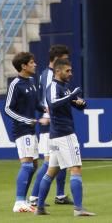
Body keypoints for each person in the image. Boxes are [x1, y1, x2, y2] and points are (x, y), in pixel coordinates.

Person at [34, 58, 95, 216]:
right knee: (75, 168)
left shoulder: (63, 87)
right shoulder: (53, 86)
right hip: (64, 134)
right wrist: (72, 95)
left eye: (71, 70)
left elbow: (74, 104)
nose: (71, 73)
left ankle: (40, 208)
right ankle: (79, 209)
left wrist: (81, 103)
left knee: (51, 171)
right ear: (58, 71)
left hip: (56, 135)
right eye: (67, 71)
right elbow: (53, 104)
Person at [4, 52, 46, 214]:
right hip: (22, 129)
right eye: (32, 62)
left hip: (31, 128)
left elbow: (36, 104)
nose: (35, 64)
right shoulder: (15, 84)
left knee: (34, 165)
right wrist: (24, 120)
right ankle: (19, 201)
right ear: (23, 66)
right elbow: (7, 108)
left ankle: (24, 200)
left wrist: (45, 109)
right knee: (27, 164)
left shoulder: (31, 81)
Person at [31, 45, 71, 207]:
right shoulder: (49, 75)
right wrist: (47, 116)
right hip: (51, 125)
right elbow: (49, 99)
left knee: (60, 162)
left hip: (56, 124)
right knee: (49, 163)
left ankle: (60, 195)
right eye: (65, 58)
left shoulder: (48, 74)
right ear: (56, 59)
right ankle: (34, 196)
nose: (67, 62)